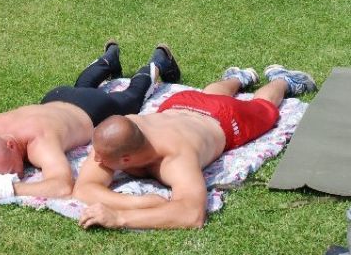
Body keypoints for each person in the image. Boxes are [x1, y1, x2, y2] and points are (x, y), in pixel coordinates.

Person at [0, 42, 181, 200]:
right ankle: (108, 58)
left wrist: (12, 188)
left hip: (90, 109)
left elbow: (62, 186)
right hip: (55, 97)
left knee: (130, 99)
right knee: (82, 86)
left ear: (11, 145)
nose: (15, 174)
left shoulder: (38, 143)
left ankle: (158, 62)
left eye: (10, 170)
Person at [75, 65, 317, 231]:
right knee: (209, 95)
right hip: (180, 104)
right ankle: (238, 78)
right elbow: (84, 189)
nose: (94, 159)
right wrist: (139, 203)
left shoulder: (176, 159)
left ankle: (283, 80)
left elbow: (192, 214)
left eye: (100, 157)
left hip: (223, 117)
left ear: (126, 160)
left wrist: (119, 217)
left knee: (263, 108)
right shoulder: (114, 135)